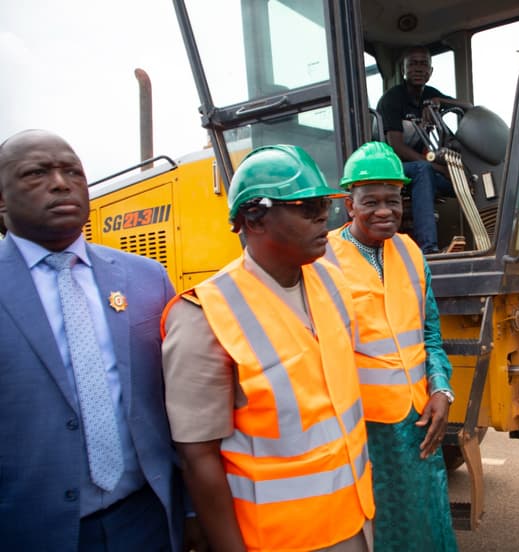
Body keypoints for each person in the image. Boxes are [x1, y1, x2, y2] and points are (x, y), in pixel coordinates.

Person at [161, 145, 375, 551]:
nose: (323, 218)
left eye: (323, 205)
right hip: (279, 539)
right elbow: (197, 457)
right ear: (254, 219)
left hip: (355, 519)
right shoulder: (204, 315)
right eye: (305, 207)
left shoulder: (329, 281)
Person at [0, 129, 187, 549]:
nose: (61, 183)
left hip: (147, 520)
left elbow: (180, 402)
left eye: (73, 172)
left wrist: (192, 511)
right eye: (36, 173)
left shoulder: (146, 279)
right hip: (30, 531)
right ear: (1, 198)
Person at [326, 142, 457, 551]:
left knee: (425, 520)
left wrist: (440, 389)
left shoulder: (411, 252)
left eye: (393, 199)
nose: (385, 210)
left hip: (417, 420)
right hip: (363, 428)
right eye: (371, 201)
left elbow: (429, 333)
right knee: (377, 529)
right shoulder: (323, 259)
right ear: (350, 204)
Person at [376, 46, 468, 254]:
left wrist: (439, 102)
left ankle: (482, 242)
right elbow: (397, 147)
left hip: (419, 165)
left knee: (461, 177)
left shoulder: (429, 94)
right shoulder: (392, 99)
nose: (419, 68)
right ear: (404, 70)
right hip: (390, 166)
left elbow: (467, 106)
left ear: (431, 71)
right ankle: (428, 248)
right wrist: (436, 166)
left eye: (423, 64)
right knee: (423, 171)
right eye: (413, 64)